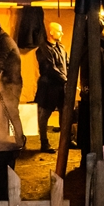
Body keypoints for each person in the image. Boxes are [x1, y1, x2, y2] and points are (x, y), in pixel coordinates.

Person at [35, 22, 69, 153]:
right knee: (45, 114)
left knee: (64, 113)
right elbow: (50, 68)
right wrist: (66, 79)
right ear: (51, 32)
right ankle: (44, 142)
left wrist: (69, 78)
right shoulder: (42, 49)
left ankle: (65, 141)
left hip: (61, 86)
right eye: (59, 31)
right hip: (49, 87)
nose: (62, 33)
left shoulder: (61, 47)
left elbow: (67, 63)